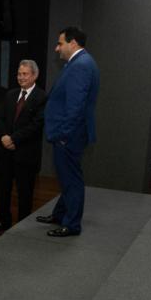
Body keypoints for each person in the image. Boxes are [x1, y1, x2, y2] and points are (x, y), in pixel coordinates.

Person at [36, 26, 99, 237]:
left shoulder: (80, 65)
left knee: (71, 179)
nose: (57, 48)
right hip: (71, 133)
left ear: (73, 43)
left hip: (69, 135)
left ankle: (71, 224)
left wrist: (63, 134)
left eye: (60, 43)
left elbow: (75, 107)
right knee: (66, 177)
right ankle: (60, 214)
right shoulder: (79, 63)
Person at [0, 60, 46, 232]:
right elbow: (0, 118)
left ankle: (22, 226)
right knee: (2, 190)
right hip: (5, 153)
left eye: (25, 74)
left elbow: (36, 125)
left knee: (25, 193)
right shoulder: (10, 94)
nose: (21, 77)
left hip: (25, 153)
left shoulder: (41, 97)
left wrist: (13, 139)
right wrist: (4, 137)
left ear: (34, 75)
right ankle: (4, 221)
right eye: (19, 74)